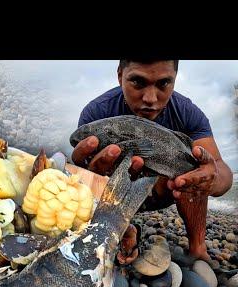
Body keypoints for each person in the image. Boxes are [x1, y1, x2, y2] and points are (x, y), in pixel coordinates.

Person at [71, 60, 233, 263]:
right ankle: (124, 229)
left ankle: (198, 248)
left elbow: (221, 170)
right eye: (138, 82)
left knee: (195, 172)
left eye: (163, 84)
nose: (150, 98)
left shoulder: (187, 113)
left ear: (174, 79)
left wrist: (211, 178)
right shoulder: (96, 113)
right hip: (116, 191)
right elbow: (83, 179)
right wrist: (88, 175)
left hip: (167, 190)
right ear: (120, 75)